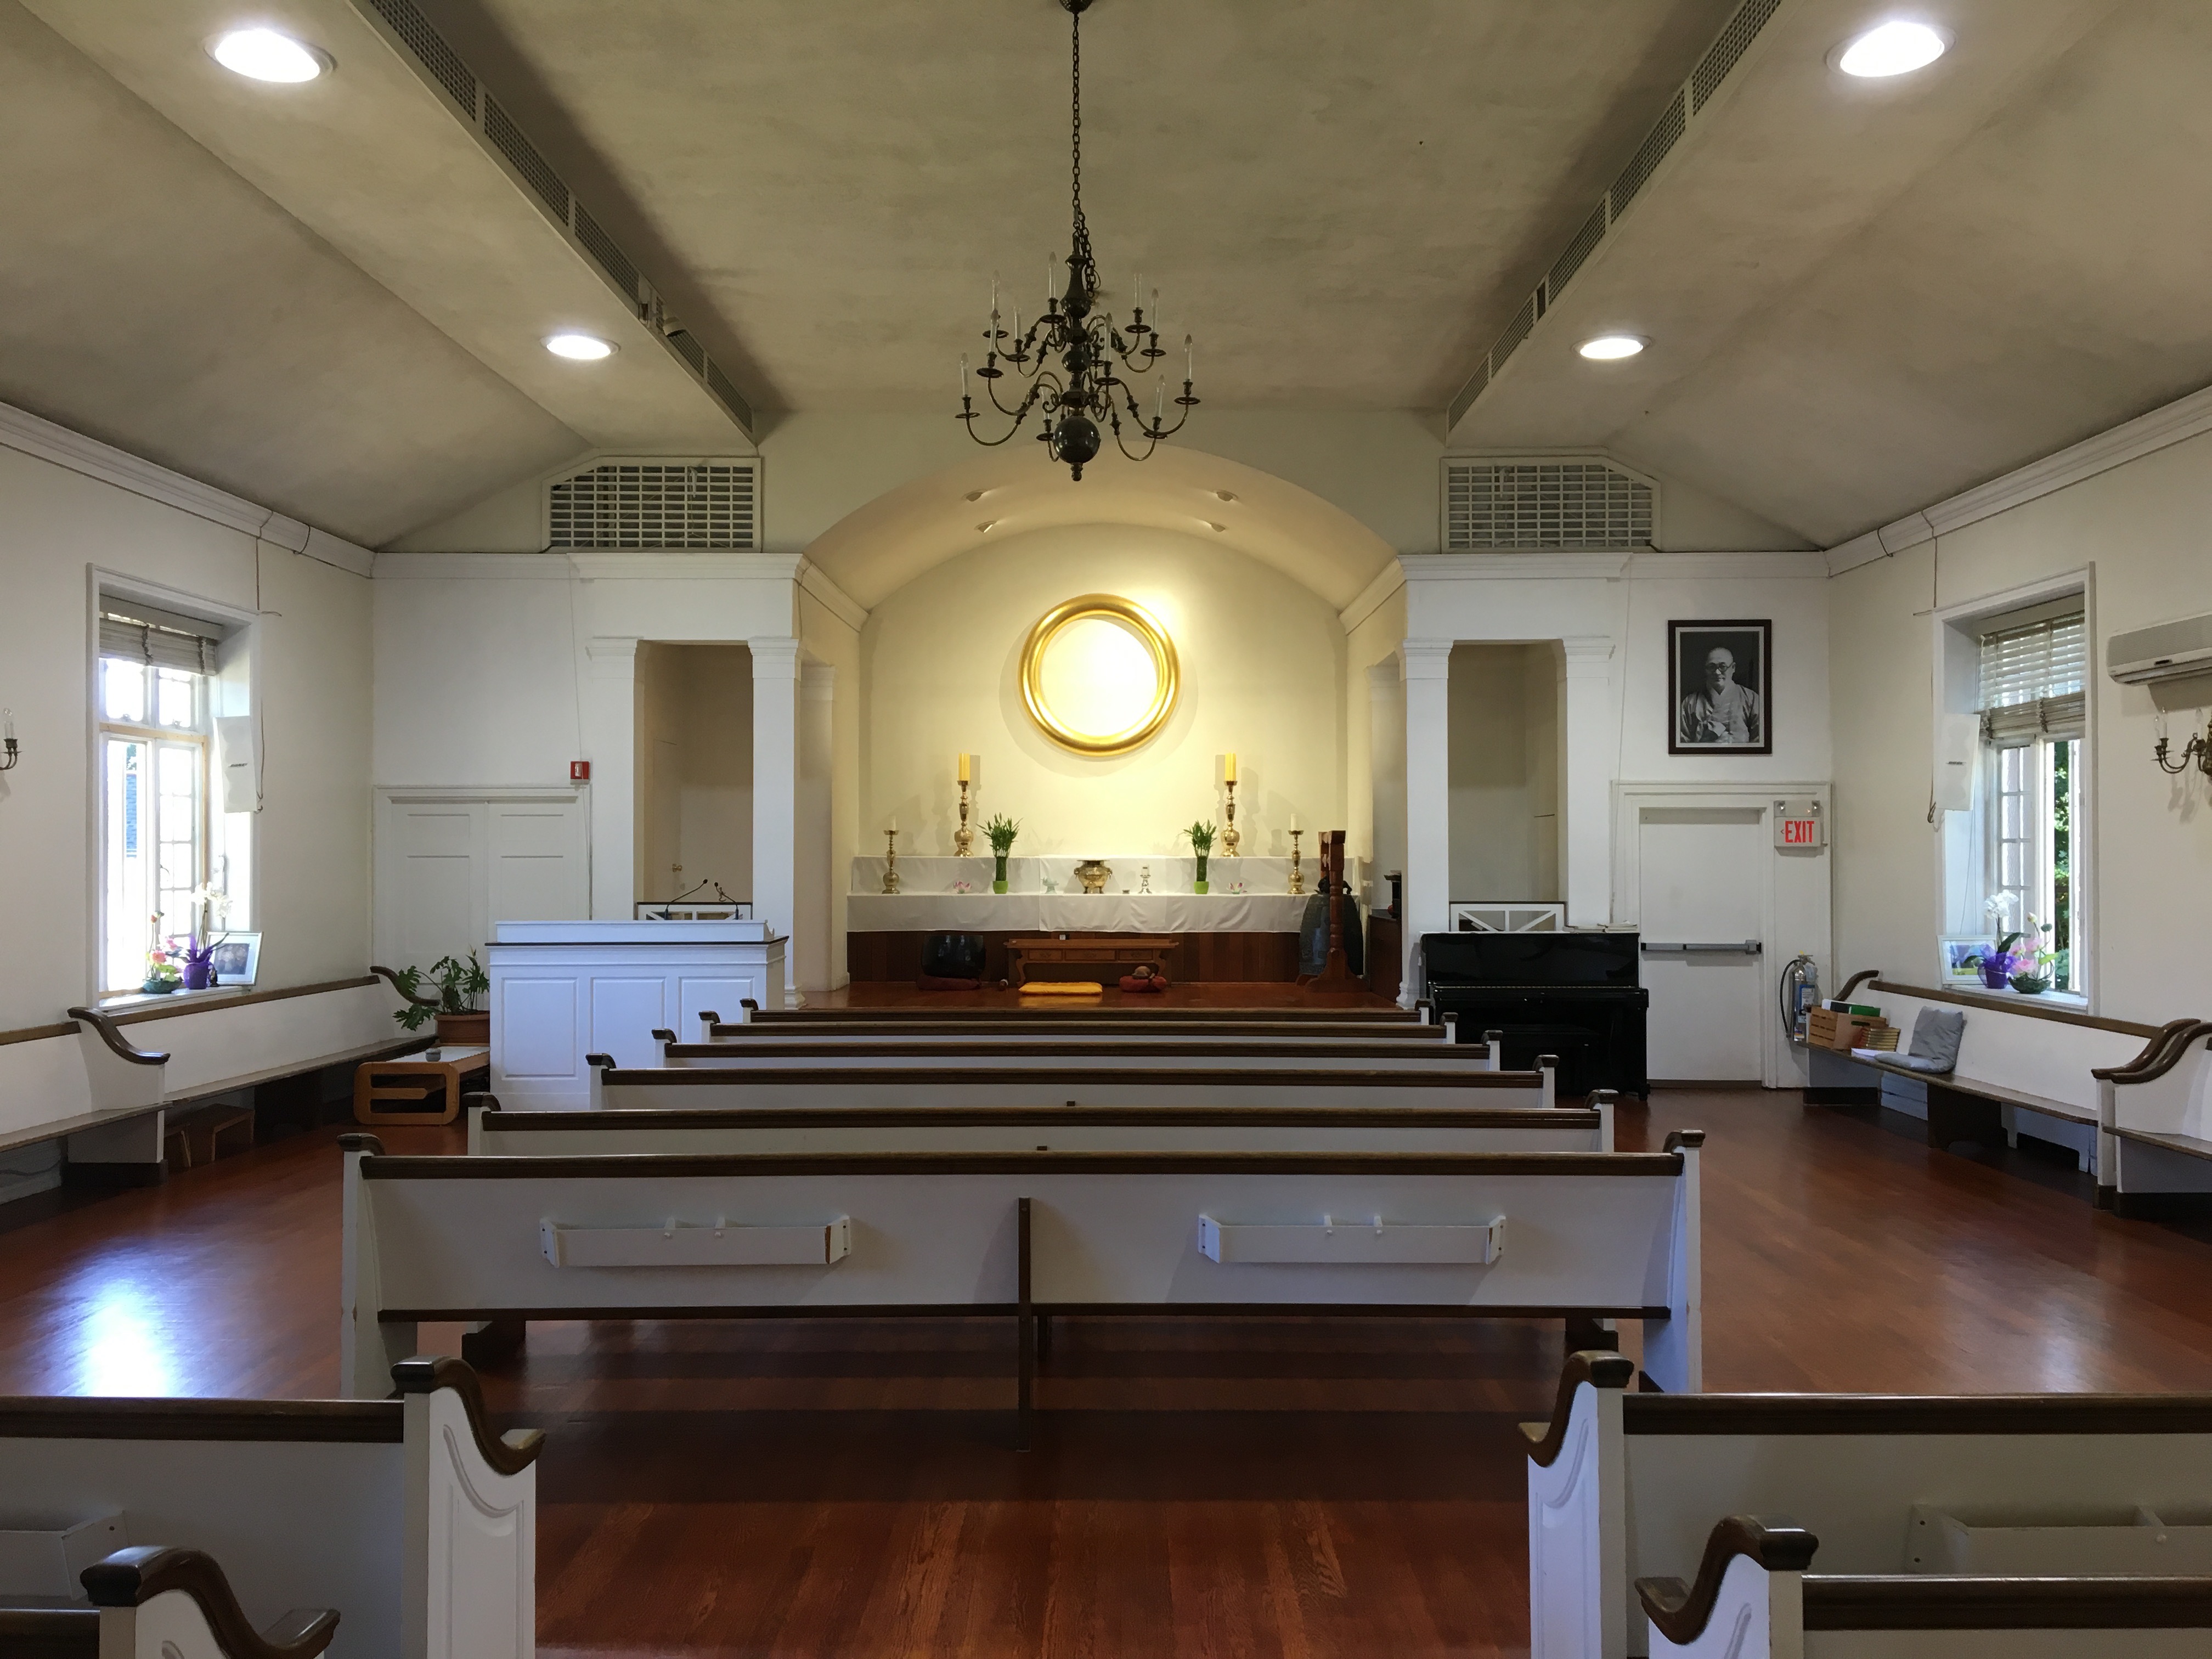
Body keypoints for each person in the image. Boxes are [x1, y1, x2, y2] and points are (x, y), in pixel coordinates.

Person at [1678, 644, 1762, 746]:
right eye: (1712, 667)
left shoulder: (1751, 699)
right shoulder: (1690, 703)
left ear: (1733, 668)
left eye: (1723, 667)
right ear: (1706, 669)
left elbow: (1759, 742)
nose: (1717, 672)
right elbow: (1683, 743)